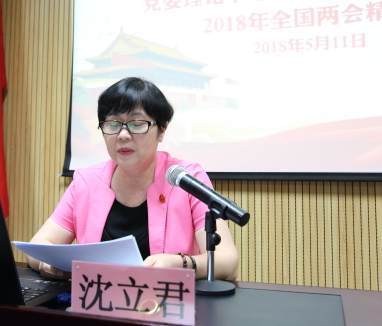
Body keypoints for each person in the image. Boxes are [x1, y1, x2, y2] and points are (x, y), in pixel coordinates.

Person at [27, 77, 239, 281]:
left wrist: (181, 264)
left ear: (162, 130)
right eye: (113, 124)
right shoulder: (87, 182)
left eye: (137, 123)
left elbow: (227, 262)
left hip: (168, 302)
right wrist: (48, 263)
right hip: (96, 301)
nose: (123, 135)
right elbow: (39, 245)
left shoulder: (185, 179)